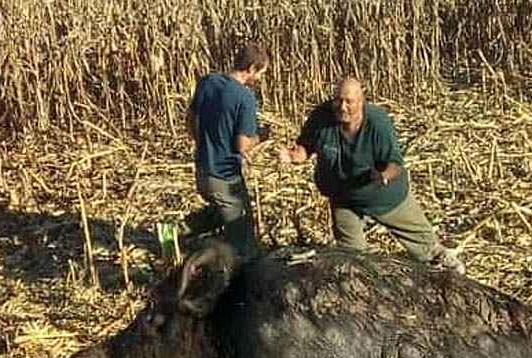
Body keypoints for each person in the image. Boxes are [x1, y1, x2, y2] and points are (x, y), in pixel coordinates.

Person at [278, 77, 464, 274]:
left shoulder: (377, 122)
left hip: (384, 195)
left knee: (424, 244)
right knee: (352, 259)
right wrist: (292, 156)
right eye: (338, 100)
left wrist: (383, 176)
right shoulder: (321, 118)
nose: (342, 107)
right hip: (344, 198)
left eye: (348, 101)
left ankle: (446, 264)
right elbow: (306, 147)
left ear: (361, 101)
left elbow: (395, 164)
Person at [185, 43, 270, 258]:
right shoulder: (245, 98)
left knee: (221, 209)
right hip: (224, 176)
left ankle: (176, 229)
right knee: (242, 236)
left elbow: (190, 119)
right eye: (260, 73)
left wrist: (203, 143)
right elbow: (241, 145)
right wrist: (261, 135)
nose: (259, 78)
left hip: (202, 171)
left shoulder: (208, 82)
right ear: (251, 68)